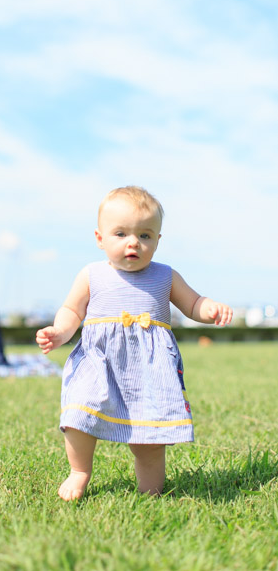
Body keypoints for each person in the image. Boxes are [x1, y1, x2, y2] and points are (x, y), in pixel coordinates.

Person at [36, 186, 233, 501]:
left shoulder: (165, 276)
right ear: (100, 239)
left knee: (150, 436)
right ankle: (79, 470)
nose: (134, 242)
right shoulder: (92, 275)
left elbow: (192, 303)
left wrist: (208, 310)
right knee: (78, 415)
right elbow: (72, 310)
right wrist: (60, 331)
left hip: (148, 368)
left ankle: (151, 492)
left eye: (145, 235)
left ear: (157, 241)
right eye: (121, 234)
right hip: (98, 360)